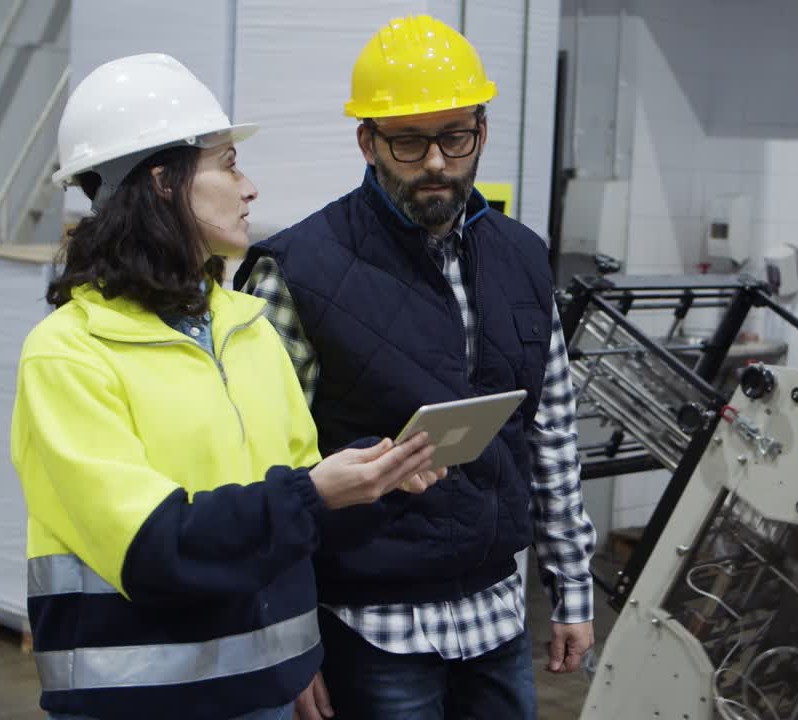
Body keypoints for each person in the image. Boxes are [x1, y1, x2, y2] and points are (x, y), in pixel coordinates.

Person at [11, 53, 442, 720]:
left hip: (267, 690)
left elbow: (296, 510)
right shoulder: (69, 353)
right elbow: (155, 547)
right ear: (162, 181)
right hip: (140, 701)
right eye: (228, 164)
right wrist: (316, 492)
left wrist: (374, 480)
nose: (250, 188)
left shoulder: (248, 329)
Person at [236, 15, 597, 719]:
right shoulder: (297, 270)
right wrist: (283, 634)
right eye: (408, 141)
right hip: (368, 628)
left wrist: (572, 592)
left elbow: (550, 433)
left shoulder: (522, 258)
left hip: (496, 618)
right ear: (367, 142)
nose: (436, 161)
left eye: (455, 137)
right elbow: (259, 467)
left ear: (481, 133)